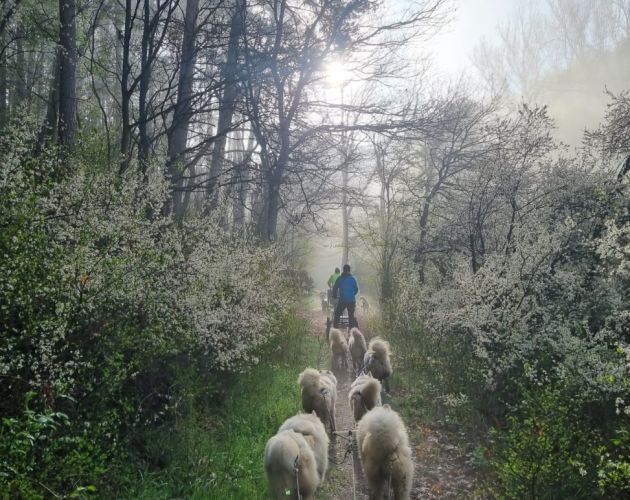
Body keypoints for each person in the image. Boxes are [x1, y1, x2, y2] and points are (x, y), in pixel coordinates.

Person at [332, 264, 359, 328]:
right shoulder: (353, 279)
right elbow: (356, 289)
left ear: (343, 270)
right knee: (351, 316)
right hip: (351, 301)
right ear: (349, 270)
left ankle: (335, 330)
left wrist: (335, 295)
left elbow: (335, 288)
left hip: (342, 300)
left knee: (337, 314)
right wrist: (352, 294)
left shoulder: (339, 278)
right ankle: (351, 332)